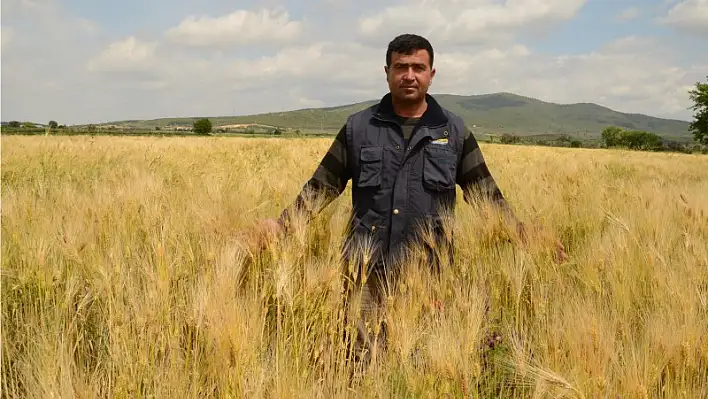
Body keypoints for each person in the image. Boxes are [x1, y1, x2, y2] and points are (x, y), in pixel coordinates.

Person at [245, 33, 566, 368]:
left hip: (430, 276)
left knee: (423, 368)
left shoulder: (453, 132)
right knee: (360, 367)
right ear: (387, 72)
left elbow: (486, 196)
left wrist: (526, 234)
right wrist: (281, 226)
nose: (409, 75)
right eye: (401, 67)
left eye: (418, 67)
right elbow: (322, 186)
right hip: (364, 276)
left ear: (431, 73)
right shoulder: (359, 128)